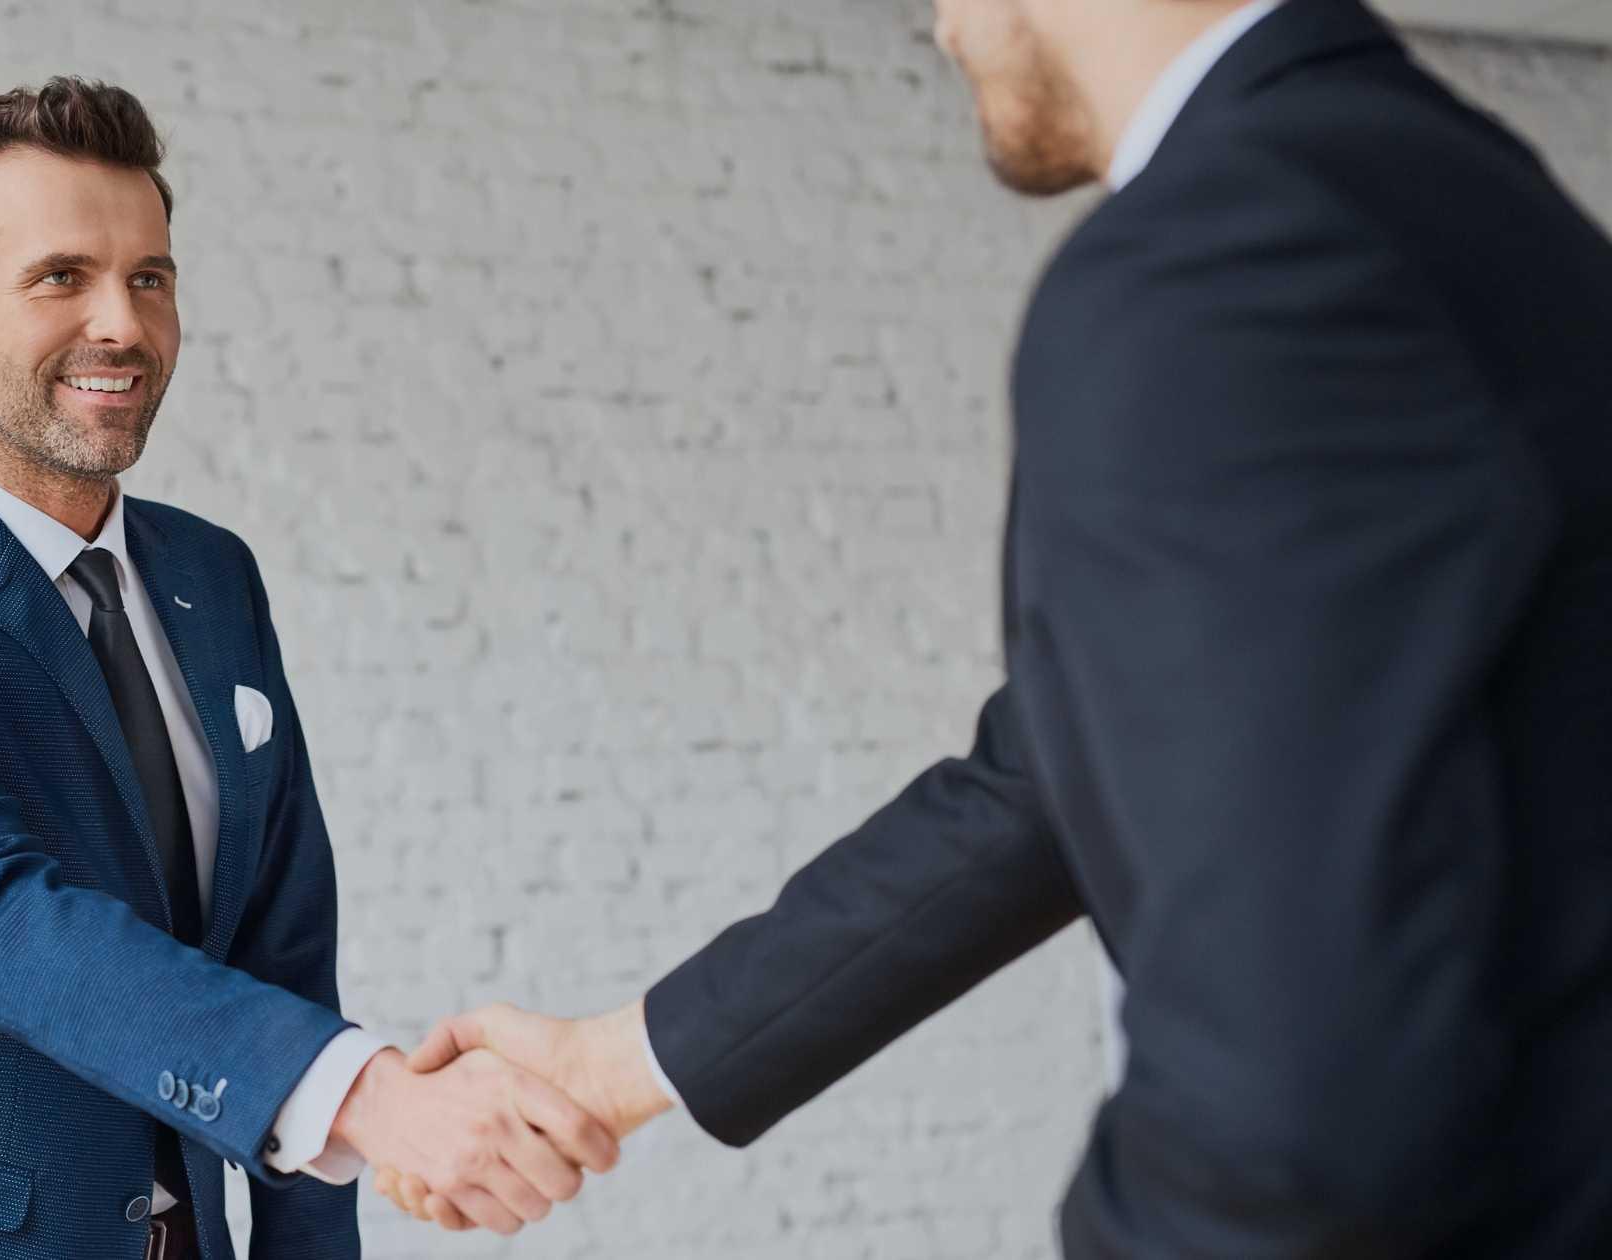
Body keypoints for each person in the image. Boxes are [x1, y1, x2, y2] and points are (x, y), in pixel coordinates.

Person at [388, 0, 1612, 1253]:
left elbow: (1296, 1075)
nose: (942, 28)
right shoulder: (1473, 198)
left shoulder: (1217, 265)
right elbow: (1041, 777)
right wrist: (615, 1064)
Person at [0, 77, 615, 1260]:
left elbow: (285, 944)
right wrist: (373, 1098)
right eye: (59, 277)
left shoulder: (212, 575)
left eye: (149, 277)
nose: (122, 325)